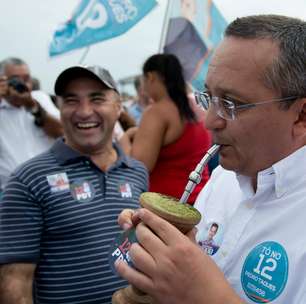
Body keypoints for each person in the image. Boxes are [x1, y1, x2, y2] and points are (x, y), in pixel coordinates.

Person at [115, 15, 306, 304]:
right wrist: (165, 258)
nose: (210, 122)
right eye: (210, 98)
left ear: (301, 116)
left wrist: (201, 295)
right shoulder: (223, 179)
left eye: (232, 104)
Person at [0, 65, 149, 304]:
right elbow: (15, 285)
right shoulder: (28, 180)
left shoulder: (136, 172)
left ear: (118, 106)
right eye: (71, 100)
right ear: (59, 108)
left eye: (97, 99)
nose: (84, 111)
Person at [123, 54, 211, 204]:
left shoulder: (157, 112)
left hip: (167, 208)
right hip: (202, 198)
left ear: (150, 77)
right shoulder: (196, 106)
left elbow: (138, 169)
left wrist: (124, 139)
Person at [0, 57, 62, 189]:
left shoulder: (39, 98)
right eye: (15, 80)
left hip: (53, 182)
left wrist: (33, 106)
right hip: (11, 188)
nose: (23, 85)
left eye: (27, 79)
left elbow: (62, 132)